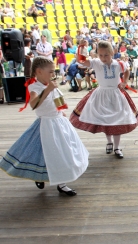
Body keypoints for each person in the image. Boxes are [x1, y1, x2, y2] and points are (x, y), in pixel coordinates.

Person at [0, 57, 89, 196]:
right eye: (51, 72)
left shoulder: (51, 85)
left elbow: (58, 100)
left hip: (59, 122)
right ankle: (40, 176)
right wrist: (47, 90)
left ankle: (62, 183)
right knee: (45, 153)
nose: (53, 74)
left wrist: (61, 111)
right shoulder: (34, 87)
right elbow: (34, 105)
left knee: (63, 151)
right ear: (39, 71)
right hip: (46, 124)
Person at [69, 41, 138, 159]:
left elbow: (127, 71)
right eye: (100, 55)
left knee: (117, 120)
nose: (103, 58)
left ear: (112, 53)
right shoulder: (96, 63)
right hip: (101, 95)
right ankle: (109, 142)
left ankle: (117, 147)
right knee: (106, 120)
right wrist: (81, 47)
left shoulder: (119, 64)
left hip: (116, 95)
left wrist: (124, 82)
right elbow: (81, 60)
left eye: (106, 55)